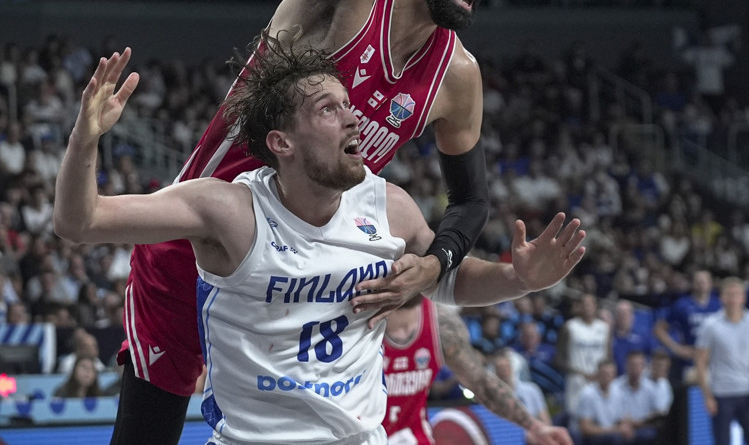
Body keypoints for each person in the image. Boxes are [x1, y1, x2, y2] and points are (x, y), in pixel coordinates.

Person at [109, 0, 607, 445]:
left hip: (304, 270)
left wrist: (437, 262)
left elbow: (470, 202)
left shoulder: (458, 75)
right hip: (197, 241)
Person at [53, 44, 587, 444]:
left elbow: (449, 277)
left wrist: (521, 278)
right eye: (328, 109)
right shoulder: (227, 210)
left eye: (348, 104)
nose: (354, 116)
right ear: (281, 143)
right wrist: (85, 139)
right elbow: (81, 222)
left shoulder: (387, 205)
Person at [383, 296, 571, 445]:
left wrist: (535, 427)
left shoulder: (441, 323)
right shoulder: (358, 321)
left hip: (413, 437)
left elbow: (480, 382)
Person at [694, 277, 749, 445]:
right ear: (722, 298)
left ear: (744, 298)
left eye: (737, 294)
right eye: (729, 295)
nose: (733, 299)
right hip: (721, 393)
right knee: (722, 441)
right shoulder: (710, 325)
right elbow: (700, 363)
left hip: (745, 391)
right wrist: (707, 396)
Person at [652, 269, 720, 384]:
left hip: (716, 360)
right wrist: (677, 349)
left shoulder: (718, 305)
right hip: (692, 361)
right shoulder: (682, 305)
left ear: (710, 284)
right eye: (698, 282)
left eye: (704, 281)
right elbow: (659, 329)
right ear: (693, 284)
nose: (701, 284)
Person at [554, 293, 611, 421]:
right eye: (584, 304)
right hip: (577, 381)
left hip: (598, 381)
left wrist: (602, 375)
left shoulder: (604, 328)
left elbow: (608, 357)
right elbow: (558, 359)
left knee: (600, 421)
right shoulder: (570, 327)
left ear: (596, 306)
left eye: (590, 304)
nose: (587, 308)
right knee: (576, 421)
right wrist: (580, 373)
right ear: (579, 307)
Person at [575, 359, 633, 445]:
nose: (607, 377)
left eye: (610, 373)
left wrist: (625, 427)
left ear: (614, 375)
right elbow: (585, 428)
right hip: (592, 438)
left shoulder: (618, 392)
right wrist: (614, 430)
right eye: (604, 373)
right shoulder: (588, 394)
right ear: (597, 374)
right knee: (615, 438)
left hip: (612, 434)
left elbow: (623, 418)